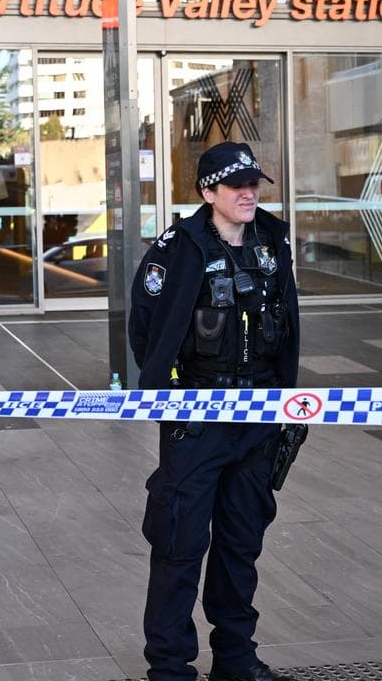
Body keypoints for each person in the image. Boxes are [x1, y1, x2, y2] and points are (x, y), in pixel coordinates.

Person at [128, 141, 300, 681]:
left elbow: (285, 322)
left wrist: (285, 409)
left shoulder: (272, 240)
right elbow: (145, 328)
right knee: (179, 545)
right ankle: (171, 667)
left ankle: (236, 658)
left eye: (254, 184)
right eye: (236, 186)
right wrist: (173, 395)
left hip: (259, 417)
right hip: (198, 419)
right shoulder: (177, 247)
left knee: (241, 543)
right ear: (208, 193)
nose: (249, 193)